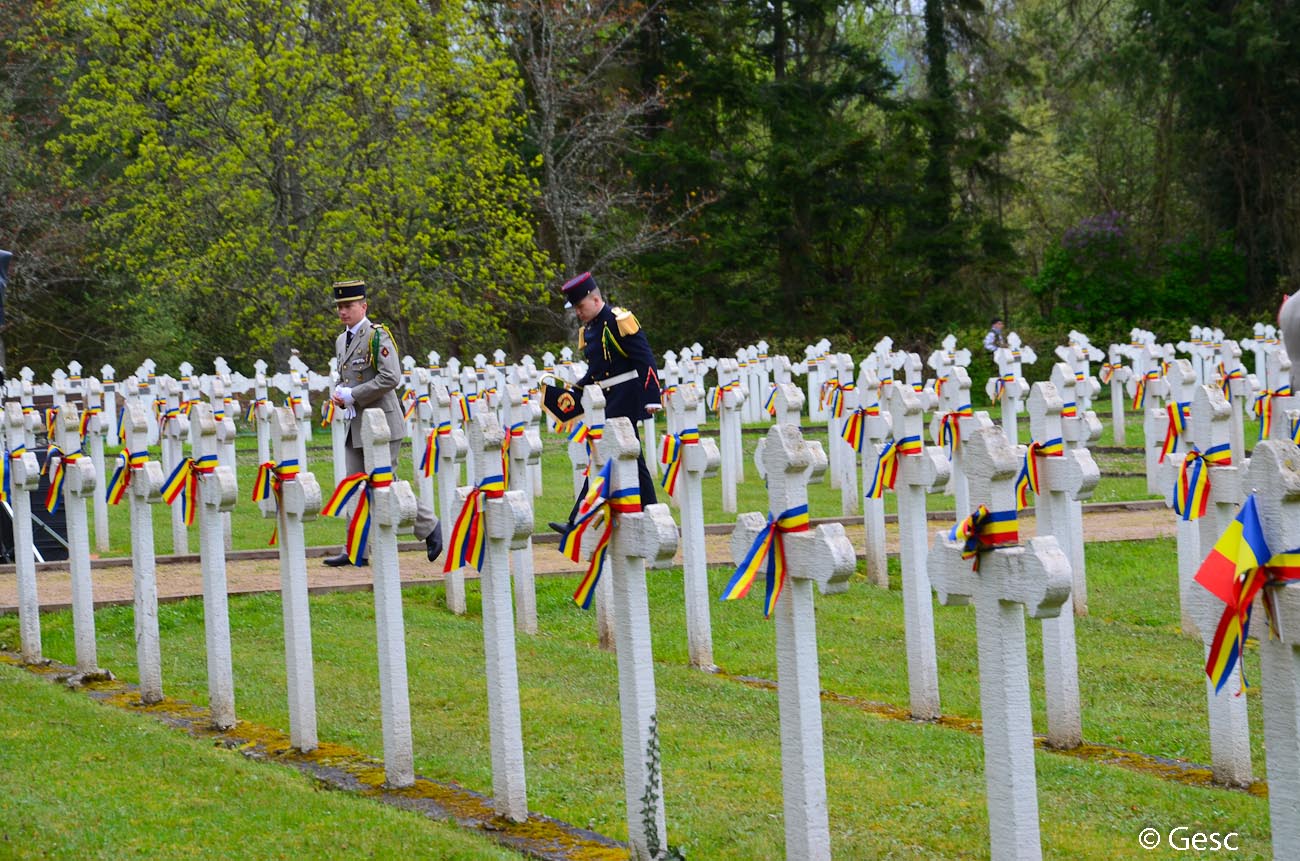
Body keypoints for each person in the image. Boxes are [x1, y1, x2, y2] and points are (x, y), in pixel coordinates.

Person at [324, 279, 442, 567]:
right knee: (355, 485)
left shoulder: (377, 337)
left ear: (363, 306)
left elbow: (391, 377)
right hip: (356, 424)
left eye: (349, 306)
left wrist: (354, 394)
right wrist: (341, 393)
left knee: (383, 483)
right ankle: (357, 550)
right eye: (340, 307)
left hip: (382, 423)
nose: (343, 312)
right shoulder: (342, 340)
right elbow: (349, 377)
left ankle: (429, 526)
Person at [548, 272, 661, 536]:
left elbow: (645, 359)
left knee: (603, 453)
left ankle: (578, 518)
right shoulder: (589, 330)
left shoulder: (618, 320)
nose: (578, 313)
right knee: (631, 458)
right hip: (607, 399)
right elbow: (595, 373)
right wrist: (569, 394)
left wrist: (652, 397)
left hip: (627, 397)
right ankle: (652, 514)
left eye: (580, 306)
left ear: (595, 298)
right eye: (575, 308)